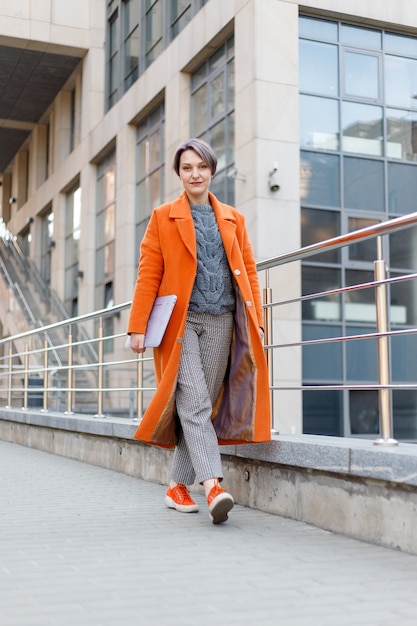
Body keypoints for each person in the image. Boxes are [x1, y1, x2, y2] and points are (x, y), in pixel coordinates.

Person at [127, 138, 271, 524]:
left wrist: (256, 317)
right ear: (179, 174)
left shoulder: (233, 218)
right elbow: (148, 275)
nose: (195, 174)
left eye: (201, 167)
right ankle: (213, 485)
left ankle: (176, 484)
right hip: (182, 322)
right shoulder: (162, 217)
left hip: (222, 319)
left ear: (212, 170)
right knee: (192, 401)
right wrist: (137, 326)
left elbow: (250, 272)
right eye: (187, 168)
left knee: (201, 403)